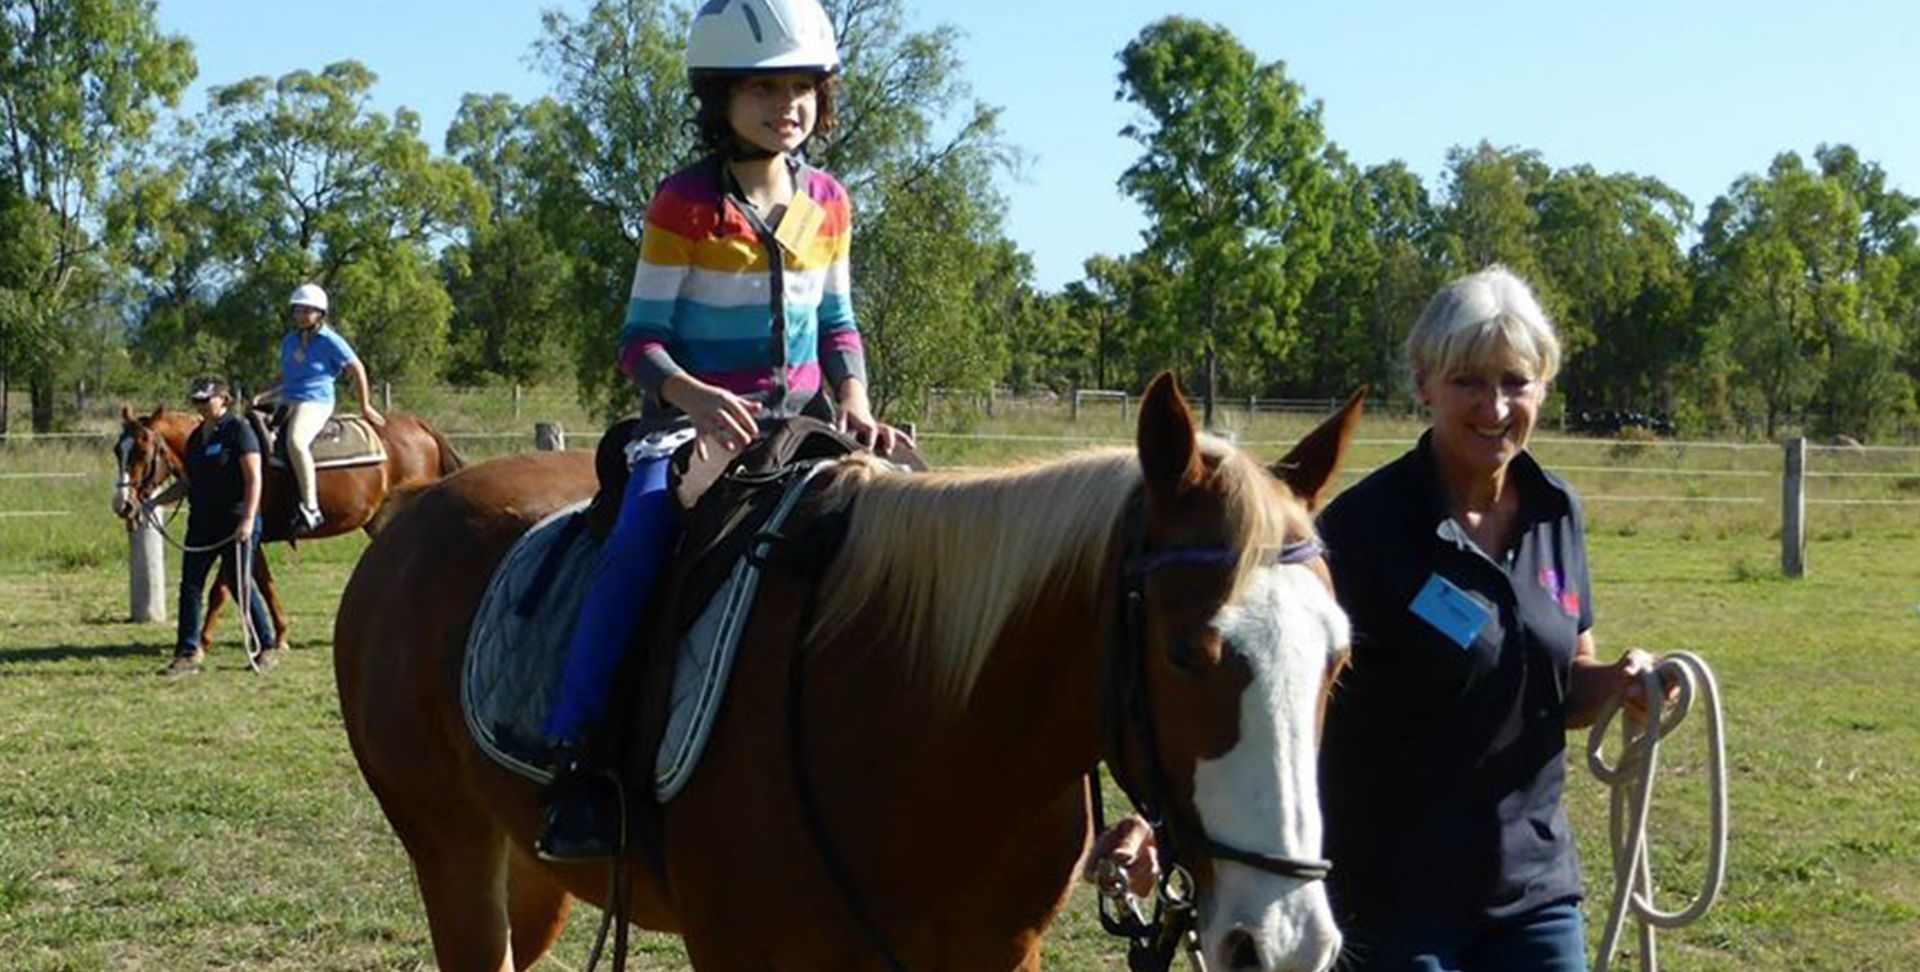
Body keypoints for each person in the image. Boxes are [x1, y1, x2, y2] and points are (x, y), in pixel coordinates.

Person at [1085, 266, 1671, 971]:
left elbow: (1561, 682)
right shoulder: (1363, 529)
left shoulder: (1557, 511)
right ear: (1424, 385)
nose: (1495, 405)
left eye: (1516, 381)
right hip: (1395, 905)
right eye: (1468, 382)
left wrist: (1620, 683)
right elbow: (1268, 691)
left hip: (1534, 892)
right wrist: (1159, 829)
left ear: (1542, 386)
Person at [534, 0, 909, 861]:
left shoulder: (830, 201)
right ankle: (579, 757)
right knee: (642, 533)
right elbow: (640, 341)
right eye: (764, 87)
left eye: (803, 87)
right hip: (695, 431)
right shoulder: (686, 204)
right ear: (719, 97)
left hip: (812, 431)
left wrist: (854, 397)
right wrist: (694, 396)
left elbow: (841, 321)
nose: (789, 105)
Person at [153, 377, 280, 677]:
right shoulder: (197, 438)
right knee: (191, 587)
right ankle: (187, 653)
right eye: (196, 400)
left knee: (240, 585)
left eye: (205, 399)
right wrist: (154, 502)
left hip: (235, 522)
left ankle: (267, 644)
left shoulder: (239, 431)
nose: (200, 404)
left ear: (223, 399)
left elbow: (254, 478)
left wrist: (249, 519)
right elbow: (187, 483)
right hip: (201, 523)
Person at [249, 283, 382, 534]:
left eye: (307, 310)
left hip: (315, 401)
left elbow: (357, 368)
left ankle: (311, 508)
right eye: (298, 310)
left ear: (320, 313)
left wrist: (365, 406)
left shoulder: (331, 340)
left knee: (296, 442)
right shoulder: (290, 341)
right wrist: (261, 394)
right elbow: (284, 374)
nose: (301, 315)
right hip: (287, 399)